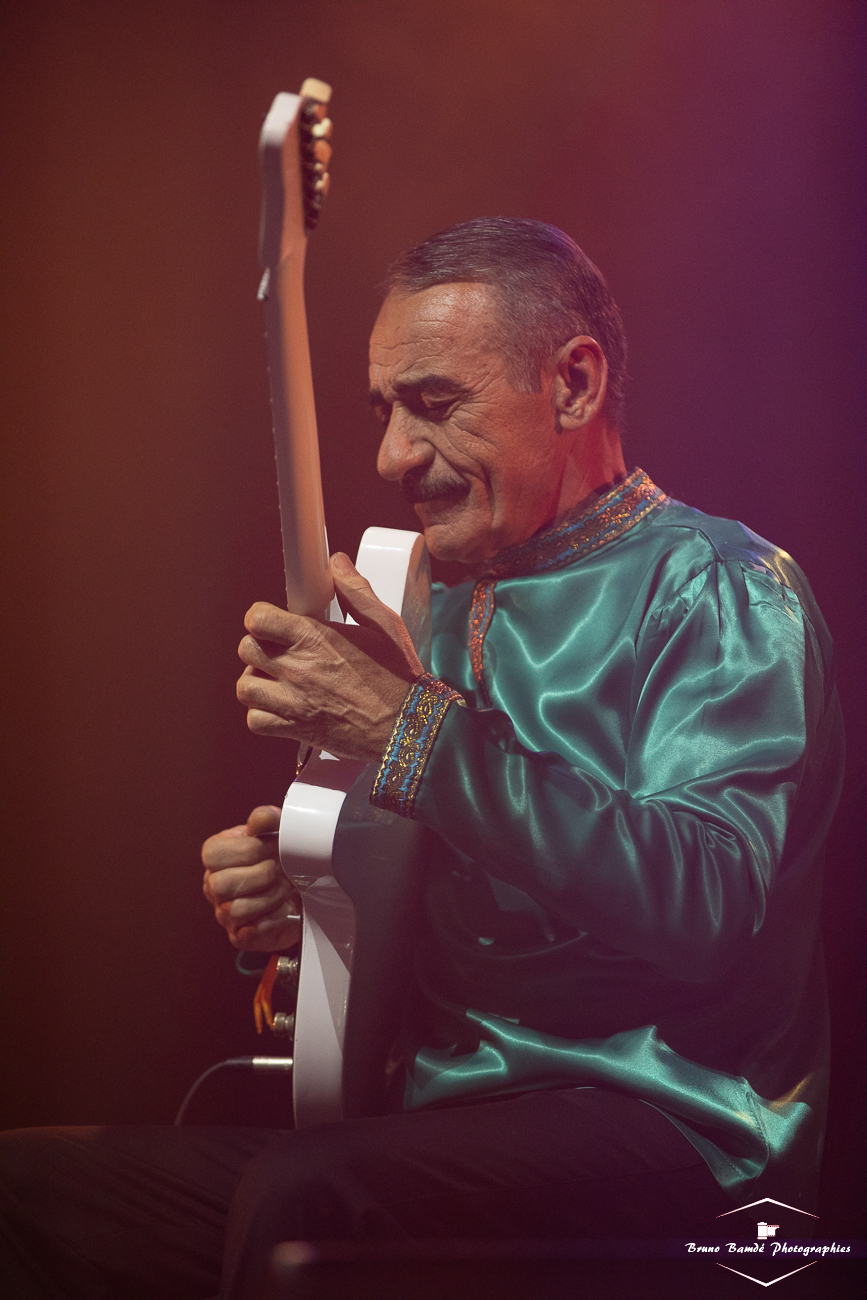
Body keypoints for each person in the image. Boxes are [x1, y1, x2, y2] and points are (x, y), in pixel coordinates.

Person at [0, 219, 844, 1299]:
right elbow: (446, 897)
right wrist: (315, 893)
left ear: (573, 385)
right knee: (33, 1190)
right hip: (430, 1123)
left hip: (676, 1131)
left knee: (315, 1197)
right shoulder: (424, 613)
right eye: (385, 412)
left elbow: (704, 900)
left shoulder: (718, 588)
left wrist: (408, 730)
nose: (393, 456)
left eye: (435, 404)